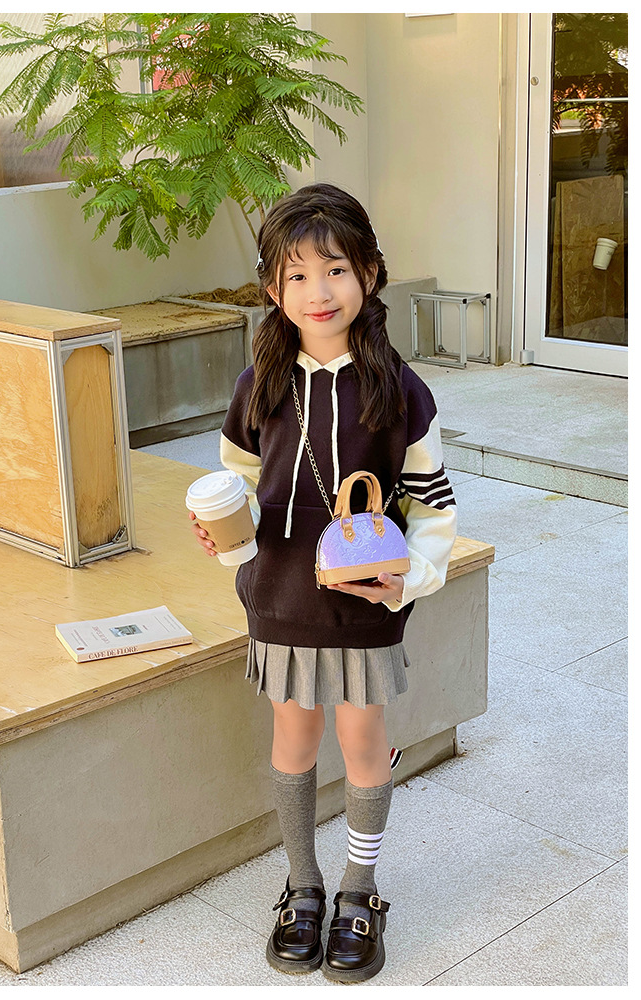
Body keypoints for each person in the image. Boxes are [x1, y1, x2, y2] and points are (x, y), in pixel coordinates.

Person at [189, 183, 457, 983]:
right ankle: (302, 885)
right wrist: (225, 536)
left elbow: (434, 506)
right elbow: (237, 481)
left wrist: (409, 582)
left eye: (335, 269)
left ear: (369, 273)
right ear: (272, 288)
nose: (318, 290)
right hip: (279, 597)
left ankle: (359, 889)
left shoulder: (400, 390)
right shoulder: (259, 385)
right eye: (296, 274)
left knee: (363, 740)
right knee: (294, 737)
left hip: (365, 602)